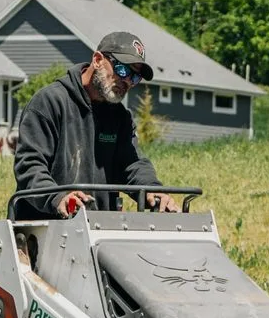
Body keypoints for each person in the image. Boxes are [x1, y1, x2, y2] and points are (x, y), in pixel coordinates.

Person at [14, 32, 178, 218]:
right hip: (45, 226)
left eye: (134, 77)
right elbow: (29, 166)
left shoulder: (120, 117)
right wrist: (59, 198)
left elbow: (131, 165)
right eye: (123, 70)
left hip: (98, 229)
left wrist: (152, 190)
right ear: (98, 59)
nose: (126, 81)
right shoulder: (49, 102)